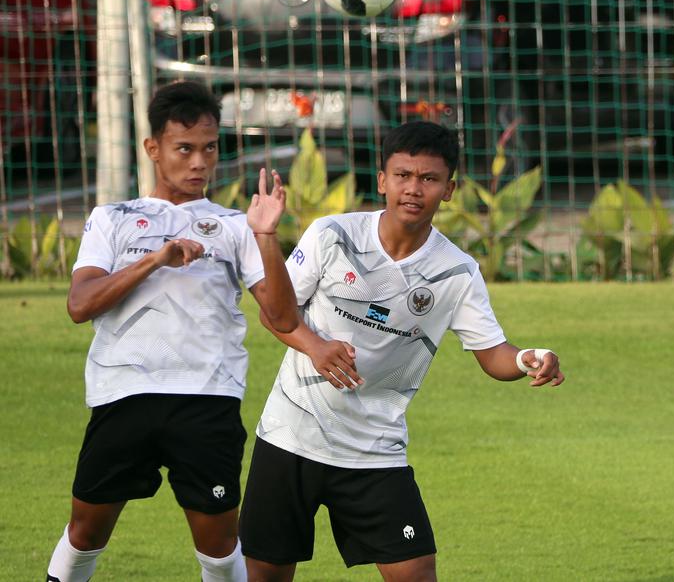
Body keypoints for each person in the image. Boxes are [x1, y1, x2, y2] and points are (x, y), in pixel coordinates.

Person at [239, 120, 564, 582]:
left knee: (416, 574)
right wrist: (268, 241)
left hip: (375, 450)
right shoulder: (333, 235)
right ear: (382, 180)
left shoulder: (457, 272)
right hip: (291, 436)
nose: (414, 189)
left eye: (429, 179)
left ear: (449, 189)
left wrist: (527, 357)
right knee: (266, 577)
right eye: (403, 176)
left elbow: (493, 354)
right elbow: (274, 312)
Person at [46, 81, 298, 582]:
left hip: (206, 400)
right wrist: (156, 260)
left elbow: (285, 317)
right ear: (153, 148)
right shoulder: (112, 219)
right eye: (185, 149)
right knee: (86, 531)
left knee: (221, 545)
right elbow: (80, 305)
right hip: (125, 394)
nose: (199, 162)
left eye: (209, 148)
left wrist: (266, 235)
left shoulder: (234, 226)